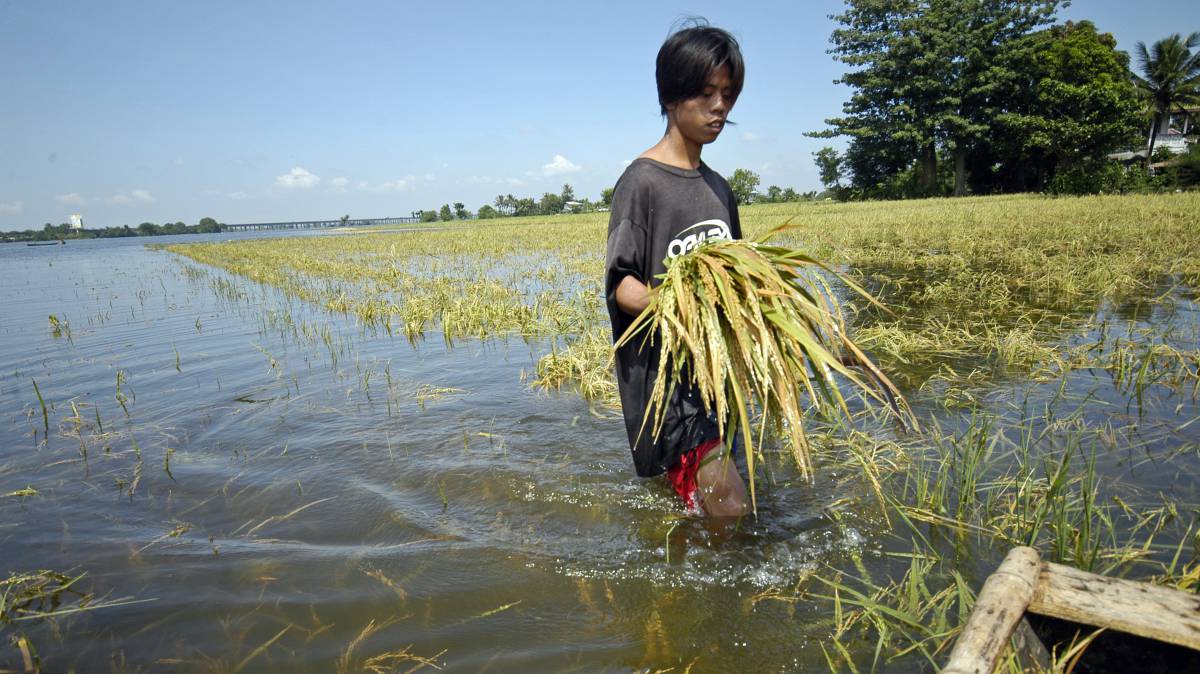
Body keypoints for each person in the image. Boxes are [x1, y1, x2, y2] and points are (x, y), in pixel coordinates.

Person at [604, 22, 750, 518]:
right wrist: (683, 301)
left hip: (716, 378)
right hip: (669, 384)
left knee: (704, 511)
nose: (719, 107)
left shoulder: (720, 189)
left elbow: (737, 276)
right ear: (671, 98)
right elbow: (622, 286)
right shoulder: (641, 182)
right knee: (730, 506)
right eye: (706, 93)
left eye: (727, 94)